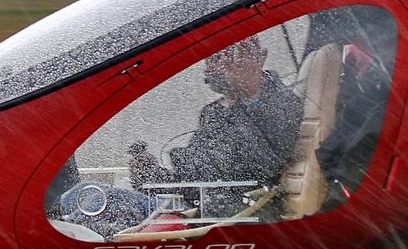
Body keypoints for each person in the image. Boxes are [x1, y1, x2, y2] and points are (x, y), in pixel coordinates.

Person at [127, 35, 305, 218]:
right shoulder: (213, 112)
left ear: (261, 57)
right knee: (103, 196)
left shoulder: (284, 104)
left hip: (240, 215)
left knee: (99, 201)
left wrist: (251, 92)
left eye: (231, 56)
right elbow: (192, 179)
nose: (219, 65)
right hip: (199, 206)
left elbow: (273, 160)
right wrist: (151, 177)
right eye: (212, 58)